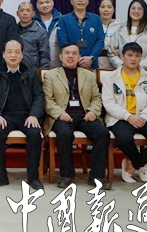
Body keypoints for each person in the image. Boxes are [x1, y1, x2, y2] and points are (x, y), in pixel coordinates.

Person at [43, 43, 111, 190]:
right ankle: (67, 175)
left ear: (79, 57)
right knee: (64, 134)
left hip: (85, 115)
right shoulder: (50, 75)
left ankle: (97, 176)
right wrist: (60, 113)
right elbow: (47, 100)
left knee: (102, 133)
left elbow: (96, 98)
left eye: (74, 53)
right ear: (60, 57)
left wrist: (93, 111)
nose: (70, 56)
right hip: (62, 116)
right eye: (67, 53)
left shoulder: (89, 75)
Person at [102, 42, 147, 183]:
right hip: (120, 118)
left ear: (141, 58)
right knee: (124, 139)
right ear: (122, 56)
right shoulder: (111, 78)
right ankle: (140, 163)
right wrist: (128, 117)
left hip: (144, 117)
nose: (133, 59)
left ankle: (133, 165)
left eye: (137, 56)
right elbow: (108, 103)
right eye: (130, 55)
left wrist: (144, 116)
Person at [0, 40, 44, 190]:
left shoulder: (30, 73)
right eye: (9, 52)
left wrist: (34, 115)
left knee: (34, 133)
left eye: (17, 52)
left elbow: (39, 96)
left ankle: (33, 177)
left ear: (22, 55)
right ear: (3, 54)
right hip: (4, 116)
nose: (13, 55)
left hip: (26, 116)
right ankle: (0, 177)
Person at [108, 0, 147, 81]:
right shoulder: (120, 30)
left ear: (145, 12)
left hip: (145, 74)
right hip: (123, 74)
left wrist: (138, 66)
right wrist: (123, 66)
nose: (136, 11)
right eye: (133, 8)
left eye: (140, 9)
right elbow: (111, 51)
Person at [56, 0, 105, 69]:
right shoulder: (63, 19)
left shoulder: (96, 18)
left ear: (88, 1)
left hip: (91, 63)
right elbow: (63, 41)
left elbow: (100, 40)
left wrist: (91, 57)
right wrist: (76, 58)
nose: (81, 0)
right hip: (70, 63)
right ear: (71, 1)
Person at [16, 1, 50, 69]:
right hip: (14, 70)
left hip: (33, 71)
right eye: (22, 10)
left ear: (33, 13)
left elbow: (45, 56)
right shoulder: (12, 30)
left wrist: (42, 71)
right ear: (17, 13)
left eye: (28, 10)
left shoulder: (40, 32)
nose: (25, 13)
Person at [34, 0, 63, 68]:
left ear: (52, 3)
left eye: (47, 2)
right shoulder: (31, 22)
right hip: (37, 67)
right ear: (37, 5)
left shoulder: (62, 20)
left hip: (58, 65)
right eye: (41, 3)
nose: (45, 5)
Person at [97, 0, 122, 69]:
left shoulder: (120, 26)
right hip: (96, 63)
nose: (106, 10)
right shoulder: (93, 25)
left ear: (114, 9)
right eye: (103, 7)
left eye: (109, 7)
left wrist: (120, 50)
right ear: (99, 9)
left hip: (115, 64)